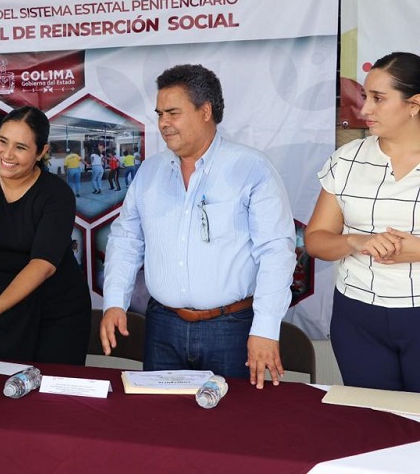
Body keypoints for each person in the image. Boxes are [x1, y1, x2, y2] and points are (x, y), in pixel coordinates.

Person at [100, 64, 296, 388]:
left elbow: (276, 251)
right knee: (160, 426)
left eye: (173, 113)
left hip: (231, 328)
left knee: (231, 429)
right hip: (162, 325)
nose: (163, 123)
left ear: (205, 111)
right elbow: (126, 240)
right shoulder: (149, 173)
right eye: (160, 113)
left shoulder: (250, 168)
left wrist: (265, 328)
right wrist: (114, 303)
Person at [305, 52, 420, 392]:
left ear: (414, 104)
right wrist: (355, 242)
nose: (364, 109)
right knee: (375, 422)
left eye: (378, 99)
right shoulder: (347, 160)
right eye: (365, 97)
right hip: (357, 318)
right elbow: (315, 240)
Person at [0, 106, 91, 365]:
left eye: (21, 147)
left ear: (41, 152)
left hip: (56, 309)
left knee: (52, 395)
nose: (7, 154)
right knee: (1, 389)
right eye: (2, 141)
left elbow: (42, 264)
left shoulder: (56, 194)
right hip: (0, 303)